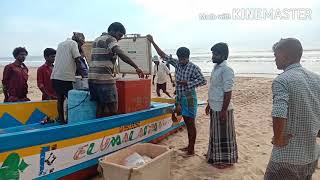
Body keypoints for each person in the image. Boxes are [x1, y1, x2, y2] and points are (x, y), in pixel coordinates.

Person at [264, 38, 320, 180]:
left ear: (284, 56)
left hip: (287, 158)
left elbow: (279, 112)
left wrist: (278, 139)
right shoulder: (316, 79)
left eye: (276, 56)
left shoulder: (282, 80)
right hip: (311, 155)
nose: (275, 59)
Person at [147, 35, 207, 155]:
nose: (181, 61)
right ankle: (189, 146)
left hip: (189, 97)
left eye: (183, 59)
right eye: (179, 59)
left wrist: (188, 83)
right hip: (179, 97)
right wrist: (152, 41)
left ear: (188, 58)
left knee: (190, 124)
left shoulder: (194, 68)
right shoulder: (178, 64)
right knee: (184, 119)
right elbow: (163, 54)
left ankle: (191, 149)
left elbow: (203, 80)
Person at [88, 22, 144, 118]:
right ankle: (112, 130)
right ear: (112, 31)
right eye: (119, 35)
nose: (120, 38)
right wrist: (136, 67)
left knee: (101, 106)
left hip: (92, 78)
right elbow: (121, 54)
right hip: (104, 80)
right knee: (113, 108)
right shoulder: (110, 39)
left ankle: (100, 130)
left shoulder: (97, 39)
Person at [205, 43, 238, 169]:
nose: (213, 56)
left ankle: (226, 160)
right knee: (215, 133)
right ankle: (215, 156)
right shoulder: (216, 68)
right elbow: (213, 88)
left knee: (224, 135)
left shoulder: (227, 70)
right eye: (212, 53)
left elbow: (228, 92)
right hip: (214, 106)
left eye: (215, 54)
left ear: (223, 55)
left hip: (223, 108)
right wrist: (209, 104)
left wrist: (224, 110)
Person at [51, 32, 87, 124]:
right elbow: (78, 60)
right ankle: (71, 120)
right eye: (81, 44)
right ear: (78, 41)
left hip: (55, 77)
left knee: (60, 99)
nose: (81, 46)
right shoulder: (73, 43)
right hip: (65, 78)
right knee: (72, 100)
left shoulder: (61, 44)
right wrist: (85, 75)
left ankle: (62, 120)